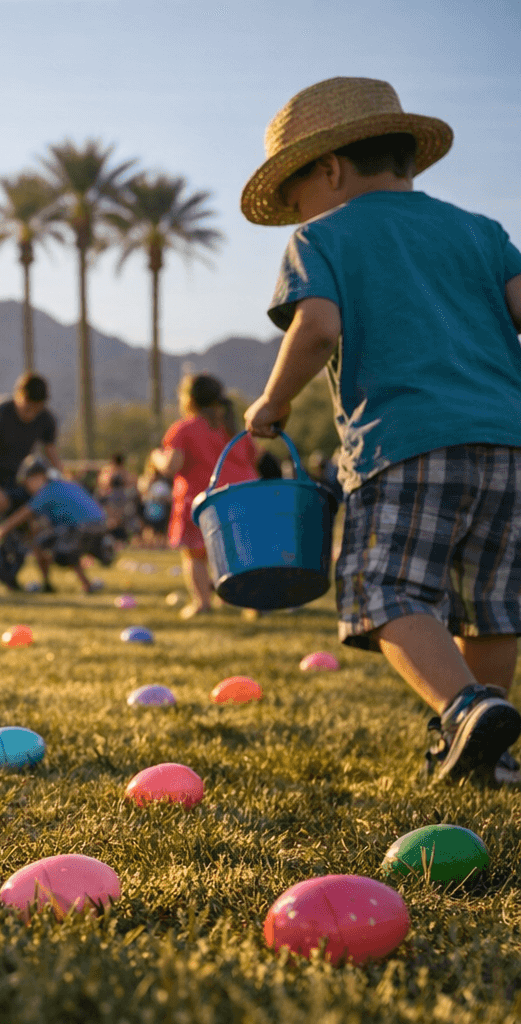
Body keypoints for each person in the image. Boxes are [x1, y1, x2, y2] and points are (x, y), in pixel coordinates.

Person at [239, 77, 521, 785]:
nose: (295, 212)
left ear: (329, 168)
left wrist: (270, 405)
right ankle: (489, 758)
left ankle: (462, 710)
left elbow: (319, 327)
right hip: (509, 441)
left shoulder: (323, 235)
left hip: (405, 439)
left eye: (294, 194)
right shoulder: (481, 231)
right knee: (490, 605)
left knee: (383, 591)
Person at [147, 374, 257, 619]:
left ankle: (202, 603)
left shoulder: (185, 429)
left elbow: (171, 466)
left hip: (202, 501)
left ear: (188, 400)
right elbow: (254, 457)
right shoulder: (233, 429)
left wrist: (156, 456)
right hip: (240, 498)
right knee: (239, 552)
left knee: (195, 554)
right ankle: (250, 602)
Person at [0, 373, 62, 594]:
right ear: (18, 396)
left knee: (33, 526)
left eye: (36, 410)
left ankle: (45, 580)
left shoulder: (45, 418)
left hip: (16, 479)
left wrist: (65, 482)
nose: (31, 415)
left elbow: (52, 454)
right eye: (27, 408)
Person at [0, 458, 112, 594]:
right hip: (100, 526)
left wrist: (2, 528)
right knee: (66, 545)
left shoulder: (47, 491)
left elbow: (25, 512)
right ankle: (88, 579)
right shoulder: (66, 485)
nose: (28, 487)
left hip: (82, 527)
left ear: (38, 477)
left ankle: (47, 583)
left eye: (28, 482)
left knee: (42, 543)